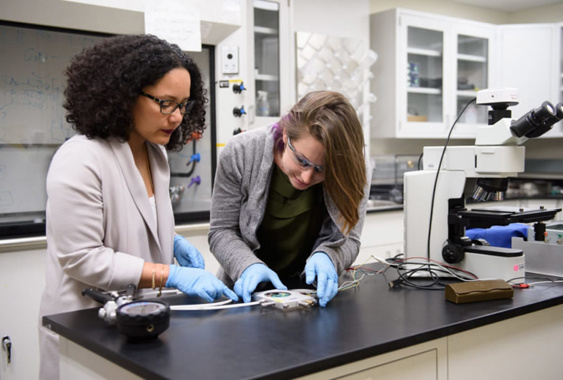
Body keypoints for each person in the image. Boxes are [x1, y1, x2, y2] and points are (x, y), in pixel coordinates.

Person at [39, 34, 237, 380]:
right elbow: (81, 258)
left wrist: (169, 239)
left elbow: (135, 214)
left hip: (141, 322)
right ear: (126, 94)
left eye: (184, 105)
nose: (176, 117)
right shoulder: (80, 159)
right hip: (86, 329)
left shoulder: (154, 153)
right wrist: (169, 273)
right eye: (165, 103)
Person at [208, 91, 371, 308]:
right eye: (302, 161)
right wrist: (247, 266)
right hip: (247, 298)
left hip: (314, 298)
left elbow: (350, 238)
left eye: (323, 170)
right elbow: (221, 231)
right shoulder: (241, 152)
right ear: (286, 136)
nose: (307, 177)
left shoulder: (353, 170)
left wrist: (329, 257)